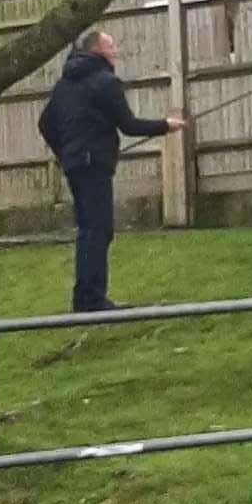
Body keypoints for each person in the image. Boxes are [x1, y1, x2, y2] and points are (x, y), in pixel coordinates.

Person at [39, 30, 185, 312]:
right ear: (97, 51)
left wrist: (67, 152)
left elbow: (45, 124)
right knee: (98, 230)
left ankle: (85, 298)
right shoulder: (104, 82)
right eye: (111, 46)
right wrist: (166, 125)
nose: (115, 52)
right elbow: (129, 125)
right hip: (94, 164)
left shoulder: (64, 85)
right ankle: (91, 300)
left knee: (88, 229)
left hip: (77, 165)